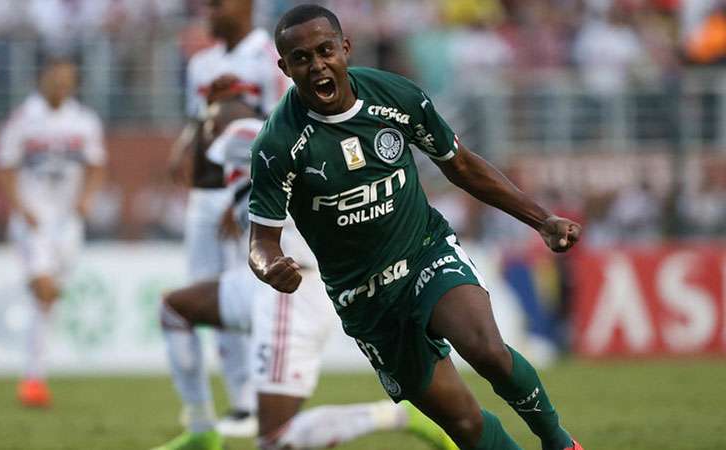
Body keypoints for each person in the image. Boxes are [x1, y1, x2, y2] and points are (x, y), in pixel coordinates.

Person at [247, 5, 584, 450]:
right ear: (284, 67)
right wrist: (271, 267)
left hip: (425, 251)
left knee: (487, 351)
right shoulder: (278, 144)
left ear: (345, 48)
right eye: (302, 58)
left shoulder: (396, 97)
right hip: (366, 300)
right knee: (463, 423)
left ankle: (560, 442)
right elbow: (261, 242)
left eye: (325, 50)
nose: (317, 65)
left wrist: (541, 219)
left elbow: (460, 165)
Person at [153, 98, 457, 450]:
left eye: (207, 125)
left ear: (223, 124)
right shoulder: (251, 153)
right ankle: (203, 429)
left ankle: (401, 415)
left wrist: (210, 124)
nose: (203, 134)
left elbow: (197, 167)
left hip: (291, 290)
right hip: (263, 284)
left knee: (274, 440)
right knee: (175, 309)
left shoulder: (244, 132)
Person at [165, 0, 291, 436]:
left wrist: (246, 193)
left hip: (240, 193)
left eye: (219, 3)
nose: (211, 11)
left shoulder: (268, 59)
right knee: (204, 294)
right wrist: (183, 148)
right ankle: (215, 406)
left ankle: (247, 397)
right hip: (203, 193)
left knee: (244, 291)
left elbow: (280, 125)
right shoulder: (201, 63)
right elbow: (201, 121)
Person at [0, 59, 106, 407]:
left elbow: (96, 164)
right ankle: (32, 380)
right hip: (34, 220)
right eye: (56, 78)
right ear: (42, 78)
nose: (61, 85)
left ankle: (34, 376)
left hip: (68, 222)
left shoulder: (84, 121)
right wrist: (19, 206)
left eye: (68, 80)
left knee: (48, 299)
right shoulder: (23, 119)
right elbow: (5, 166)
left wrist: (87, 199)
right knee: (43, 290)